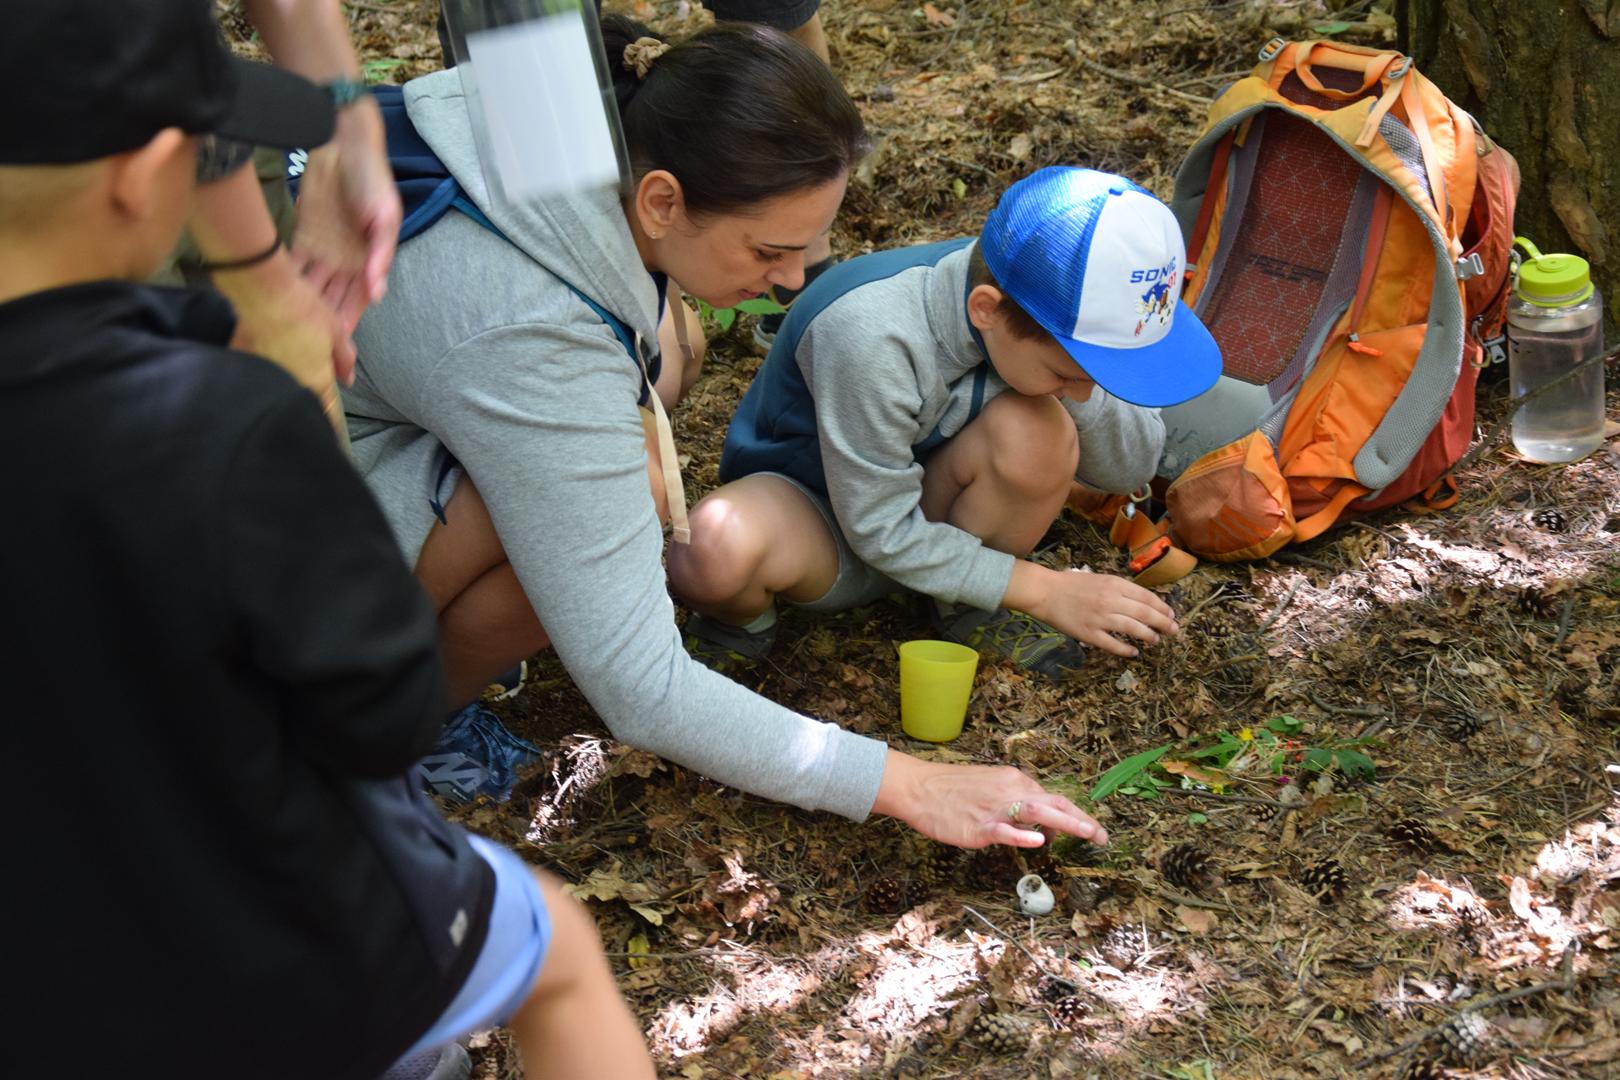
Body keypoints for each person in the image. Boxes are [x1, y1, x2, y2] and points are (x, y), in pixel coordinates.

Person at [0, 4, 652, 1078]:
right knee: (560, 952)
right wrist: (304, 432)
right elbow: (380, 710)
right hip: (272, 960)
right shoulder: (223, 422)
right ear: (147, 175)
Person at [345, 15, 1107, 851]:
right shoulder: (536, 345)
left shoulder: (572, 114)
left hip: (307, 423)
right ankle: (383, 725)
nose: (790, 280)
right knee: (603, 508)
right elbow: (644, 689)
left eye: (809, 246)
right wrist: (913, 784)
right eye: (770, 250)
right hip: (249, 568)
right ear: (661, 200)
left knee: (651, 390)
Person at [671, 167, 1222, 677]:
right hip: (818, 518)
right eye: (1065, 371)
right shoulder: (874, 334)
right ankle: (737, 625)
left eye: (1100, 373)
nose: (1083, 389)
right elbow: (878, 526)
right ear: (985, 309)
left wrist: (1084, 377)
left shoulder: (1038, 310)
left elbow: (1130, 467)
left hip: (932, 514)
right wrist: (1044, 591)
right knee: (711, 554)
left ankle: (961, 601)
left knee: (1039, 431)